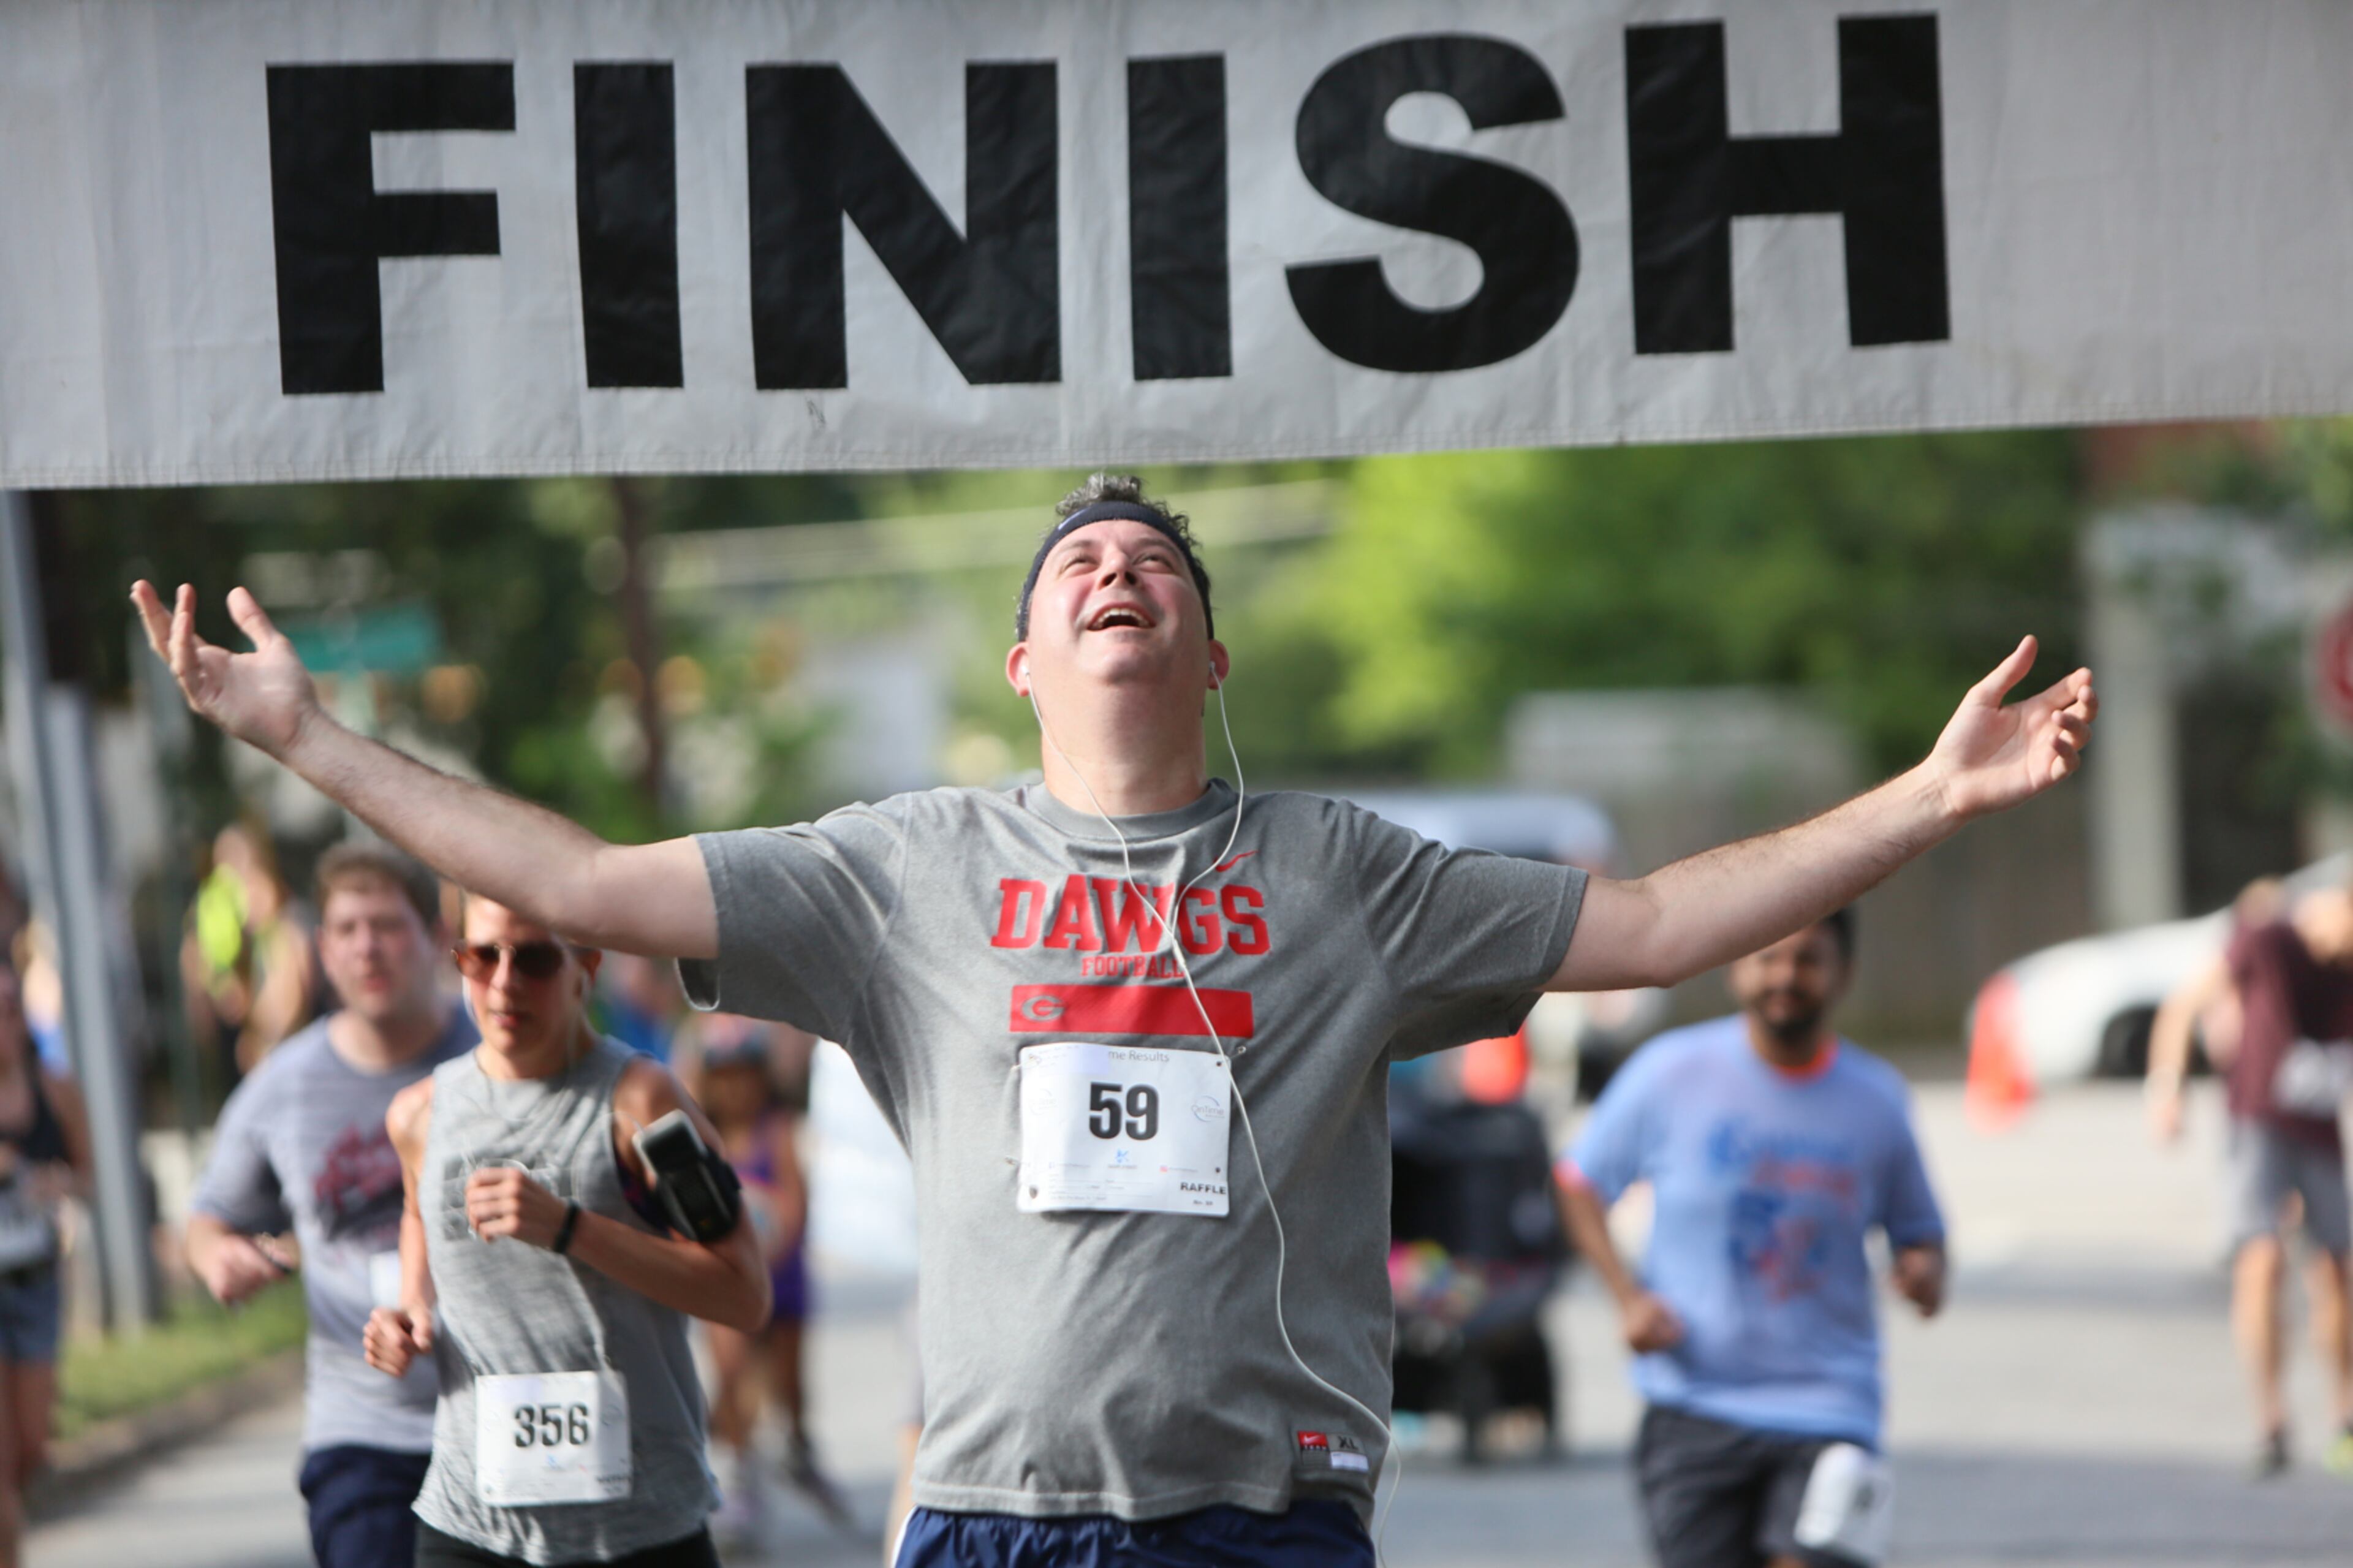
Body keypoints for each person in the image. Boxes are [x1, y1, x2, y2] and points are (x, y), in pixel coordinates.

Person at [134, 472, 2094, 1568]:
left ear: (1210, 649)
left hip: (1260, 1520)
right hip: (990, 1517)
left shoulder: (1348, 874)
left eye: (1157, 558)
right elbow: (573, 881)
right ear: (1019, 655)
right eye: (1077, 558)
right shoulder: (898, 866)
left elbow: (1661, 920)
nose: (1115, 566)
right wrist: (305, 736)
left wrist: (1924, 798)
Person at [360, 895, 770, 1567]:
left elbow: (743, 1293)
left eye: (537, 960)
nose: (504, 983)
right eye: (482, 956)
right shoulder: (419, 1116)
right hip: (470, 1525)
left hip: (642, 1530)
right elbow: (418, 1212)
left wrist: (572, 1227)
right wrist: (410, 1312)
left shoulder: (642, 1104)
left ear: (587, 967)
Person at [1556, 913, 1945, 1568]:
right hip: (1693, 1406)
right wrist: (1627, 1299)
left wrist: (1924, 1273)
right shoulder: (1670, 1073)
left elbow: (1923, 1237)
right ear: (1737, 966)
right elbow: (1577, 1180)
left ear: (1843, 974)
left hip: (1830, 1409)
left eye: (1809, 960)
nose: (1786, 976)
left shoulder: (1876, 1100)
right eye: (1769, 957)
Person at [188, 843, 477, 1568]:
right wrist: (218, 1254)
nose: (366, 948)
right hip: (363, 1431)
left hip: (494, 1417)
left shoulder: (492, 1060)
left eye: (387, 925)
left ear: (436, 936)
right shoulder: (283, 1084)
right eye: (346, 930)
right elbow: (208, 1218)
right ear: (322, 948)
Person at [2147, 882, 2353, 1476]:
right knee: (2260, 1262)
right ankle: (2271, 1421)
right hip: (2257, 1122)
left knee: (2335, 1269)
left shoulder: (2346, 971)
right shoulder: (2267, 940)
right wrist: (2167, 1090)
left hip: (2318, 1132)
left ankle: (2343, 1414)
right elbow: (2183, 1005)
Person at [681, 1016, 847, 1542]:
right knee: (731, 1375)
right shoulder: (703, 1140)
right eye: (724, 1076)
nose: (736, 1088)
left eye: (745, 1075)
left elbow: (796, 1207)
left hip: (783, 1279)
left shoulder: (775, 1132)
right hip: (726, 1284)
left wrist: (766, 1253)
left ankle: (797, 1445)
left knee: (787, 1382)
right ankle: (736, 1468)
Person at [0, 948, 92, 1568]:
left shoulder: (54, 1089)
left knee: (32, 1451)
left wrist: (50, 1182)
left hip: (34, 1278)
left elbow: (88, 1176)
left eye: (7, 1009)